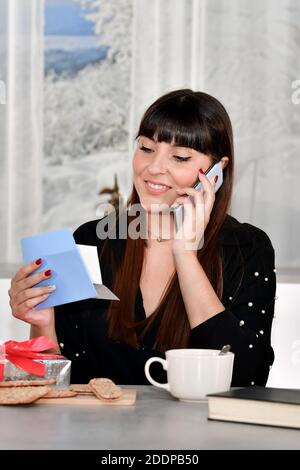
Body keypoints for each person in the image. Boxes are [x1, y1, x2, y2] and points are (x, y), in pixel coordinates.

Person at [8, 89, 276, 386]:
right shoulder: (92, 240)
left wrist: (185, 253)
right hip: (97, 431)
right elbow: (60, 388)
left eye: (180, 156)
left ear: (217, 170)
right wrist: (43, 324)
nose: (154, 168)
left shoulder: (246, 249)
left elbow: (246, 379)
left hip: (200, 433)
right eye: (147, 148)